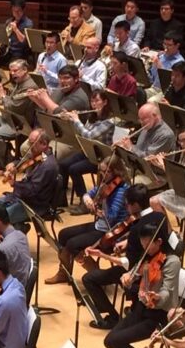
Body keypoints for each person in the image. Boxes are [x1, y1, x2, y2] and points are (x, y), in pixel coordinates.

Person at [103, 221, 181, 348]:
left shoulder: (172, 262)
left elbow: (167, 291)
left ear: (159, 242)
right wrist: (127, 277)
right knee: (109, 340)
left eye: (147, 244)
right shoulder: (148, 256)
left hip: (158, 315)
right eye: (143, 243)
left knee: (117, 340)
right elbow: (134, 273)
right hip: (140, 308)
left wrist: (157, 297)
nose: (144, 247)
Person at [81, 185, 165, 329]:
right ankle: (133, 307)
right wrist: (127, 243)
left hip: (140, 274)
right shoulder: (160, 217)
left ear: (136, 205)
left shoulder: (137, 228)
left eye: (127, 204)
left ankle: (113, 318)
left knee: (89, 279)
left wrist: (102, 255)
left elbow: (129, 265)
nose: (126, 208)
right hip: (158, 268)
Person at [46, 156, 129, 284]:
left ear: (116, 171)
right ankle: (64, 273)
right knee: (63, 234)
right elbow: (88, 194)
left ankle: (95, 273)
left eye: (106, 172)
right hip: (100, 225)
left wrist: (99, 208)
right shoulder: (106, 184)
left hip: (111, 232)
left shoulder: (121, 191)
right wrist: (88, 200)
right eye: (101, 171)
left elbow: (111, 217)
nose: (103, 175)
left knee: (73, 244)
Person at [59, 91, 118, 208]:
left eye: (97, 101)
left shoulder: (109, 121)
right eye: (92, 101)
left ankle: (84, 203)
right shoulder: (92, 117)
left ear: (105, 102)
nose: (94, 104)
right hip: (88, 152)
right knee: (63, 164)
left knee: (74, 169)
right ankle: (61, 199)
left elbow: (89, 135)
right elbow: (81, 135)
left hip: (101, 158)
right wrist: (70, 120)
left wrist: (76, 120)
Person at [0, 128, 58, 225]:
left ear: (44, 144)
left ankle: (18, 229)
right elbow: (26, 162)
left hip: (34, 205)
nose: (29, 146)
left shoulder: (47, 166)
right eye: (29, 142)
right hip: (24, 197)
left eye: (32, 143)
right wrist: (14, 164)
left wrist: (14, 183)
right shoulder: (40, 156)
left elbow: (32, 191)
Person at [148, 125, 185, 221]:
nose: (182, 144)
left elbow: (180, 178)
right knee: (152, 200)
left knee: (155, 202)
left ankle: (167, 227)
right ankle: (165, 226)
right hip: (182, 191)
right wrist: (158, 164)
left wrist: (163, 164)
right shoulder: (184, 153)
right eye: (180, 141)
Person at [0, 0, 34, 68]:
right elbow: (3, 37)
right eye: (14, 11)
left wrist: (16, 29)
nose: (16, 13)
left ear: (23, 10)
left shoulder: (28, 23)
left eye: (18, 11)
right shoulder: (9, 21)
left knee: (13, 66)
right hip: (8, 52)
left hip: (20, 53)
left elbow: (23, 41)